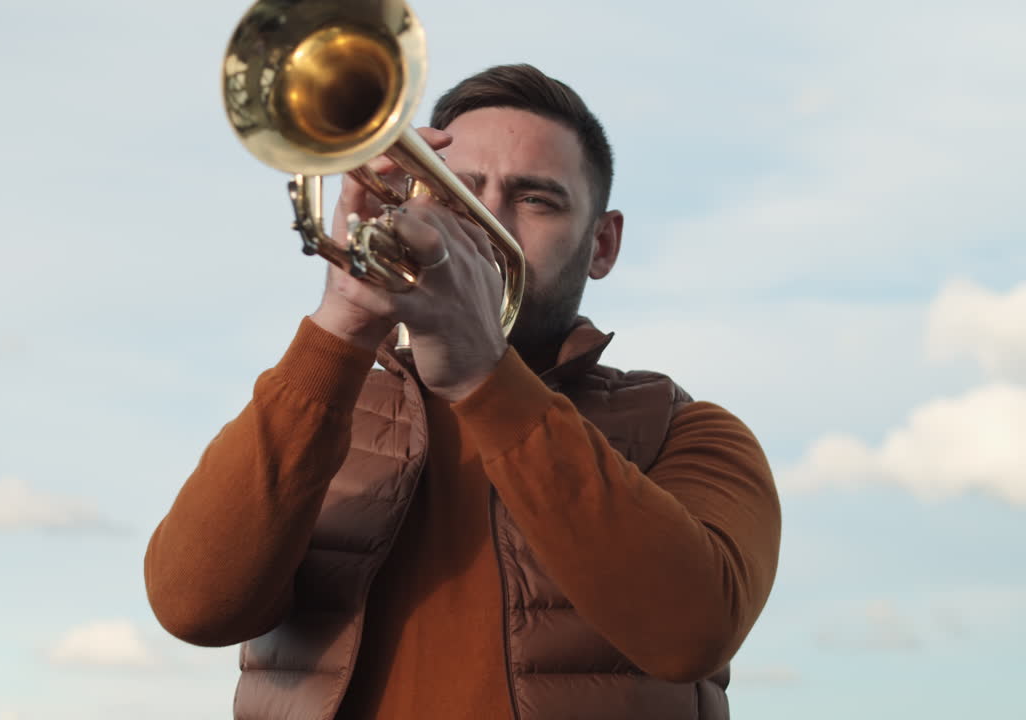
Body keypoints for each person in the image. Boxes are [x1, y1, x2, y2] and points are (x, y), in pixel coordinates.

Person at [145, 64, 781, 720]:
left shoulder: (690, 432)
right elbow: (193, 605)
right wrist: (341, 323)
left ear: (603, 244)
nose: (483, 216)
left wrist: (485, 374)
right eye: (459, 187)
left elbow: (688, 633)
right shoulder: (318, 407)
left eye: (535, 198)